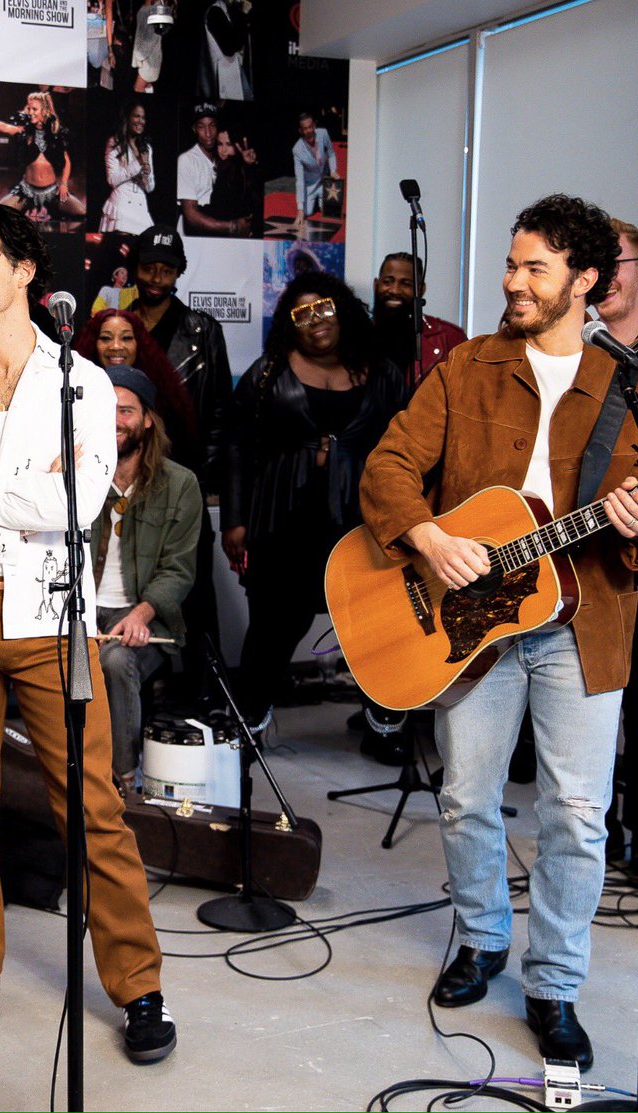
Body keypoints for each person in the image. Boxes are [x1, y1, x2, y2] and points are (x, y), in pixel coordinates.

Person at [0, 201, 176, 1063]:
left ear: (21, 270)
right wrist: (13, 491)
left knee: (92, 807)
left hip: (53, 616)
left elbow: (74, 503)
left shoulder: (82, 382)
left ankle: (139, 985)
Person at [360, 194, 634, 1069]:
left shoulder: (630, 386)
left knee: (577, 815)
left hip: (583, 625)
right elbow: (390, 466)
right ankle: (481, 937)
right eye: (512, 265)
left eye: (534, 269)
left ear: (584, 282)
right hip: (470, 624)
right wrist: (431, 537)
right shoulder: (468, 367)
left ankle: (554, 983)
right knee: (464, 796)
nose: (513, 282)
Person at [220, 273, 407, 756]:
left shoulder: (383, 372)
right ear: (290, 323)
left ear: (341, 309)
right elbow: (237, 448)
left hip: (360, 520)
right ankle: (249, 725)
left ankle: (384, 728)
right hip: (284, 519)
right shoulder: (268, 373)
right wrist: (234, 520)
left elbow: (405, 446)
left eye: (323, 308)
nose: (315, 321)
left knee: (376, 625)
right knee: (273, 626)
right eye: (302, 315)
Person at [130, 224, 229, 700]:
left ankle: (204, 690)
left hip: (183, 476)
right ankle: (144, 687)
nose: (155, 277)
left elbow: (218, 412)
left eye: (166, 269)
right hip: (126, 472)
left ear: (178, 273)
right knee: (131, 581)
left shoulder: (202, 331)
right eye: (149, 267)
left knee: (195, 586)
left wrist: (206, 477)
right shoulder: (117, 326)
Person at [93, 364, 202, 785]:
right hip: (84, 611)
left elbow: (178, 569)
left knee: (116, 660)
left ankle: (123, 780)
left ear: (147, 419)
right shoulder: (80, 478)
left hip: (147, 617)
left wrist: (140, 615)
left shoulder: (179, 485)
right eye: (106, 410)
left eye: (125, 411)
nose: (115, 421)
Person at [598, 217, 638, 868]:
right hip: (590, 569)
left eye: (619, 259)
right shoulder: (571, 357)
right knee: (593, 715)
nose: (605, 274)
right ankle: (597, 842)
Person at [73, 307, 198, 473]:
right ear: (93, 343)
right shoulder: (74, 390)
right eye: (105, 338)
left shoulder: (162, 394)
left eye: (126, 338)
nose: (116, 346)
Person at [372, 252, 467, 391]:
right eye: (388, 281)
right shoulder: (356, 336)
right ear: (376, 284)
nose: (394, 290)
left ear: (421, 289)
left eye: (406, 284)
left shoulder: (450, 338)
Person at [0, 92, 86, 223]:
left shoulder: (56, 134)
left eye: (35, 109)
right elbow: (5, 127)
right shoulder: (24, 130)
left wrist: (64, 184)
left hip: (52, 192)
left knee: (81, 212)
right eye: (29, 108)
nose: (30, 112)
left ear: (45, 111)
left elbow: (66, 162)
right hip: (27, 191)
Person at [177, 103, 255, 237]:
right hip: (194, 237)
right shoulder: (187, 160)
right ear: (194, 129)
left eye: (212, 126)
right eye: (201, 127)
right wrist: (233, 227)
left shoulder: (224, 161)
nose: (208, 133)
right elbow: (191, 216)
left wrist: (249, 165)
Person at [99, 99, 155, 236]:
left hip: (141, 209)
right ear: (128, 118)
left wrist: (147, 175)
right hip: (122, 207)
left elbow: (150, 188)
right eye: (136, 116)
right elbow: (112, 179)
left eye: (143, 117)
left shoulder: (146, 147)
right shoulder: (115, 142)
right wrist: (137, 165)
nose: (140, 121)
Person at [200, 126, 261, 238]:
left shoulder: (237, 170)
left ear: (237, 146)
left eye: (228, 145)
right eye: (220, 144)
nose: (223, 150)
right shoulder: (219, 166)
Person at [292, 112, 338, 232]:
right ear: (300, 131)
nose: (309, 130)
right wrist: (300, 209)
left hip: (326, 180)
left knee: (329, 212)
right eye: (305, 129)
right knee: (307, 212)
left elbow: (331, 153)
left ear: (314, 125)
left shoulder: (323, 133)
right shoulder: (297, 149)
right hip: (310, 185)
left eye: (311, 126)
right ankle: (313, 202)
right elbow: (300, 180)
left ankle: (321, 201)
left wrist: (333, 171)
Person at [199, 0, 253, 100]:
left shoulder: (228, 11)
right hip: (224, 75)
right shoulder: (215, 12)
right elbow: (231, 46)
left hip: (235, 70)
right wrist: (243, 13)